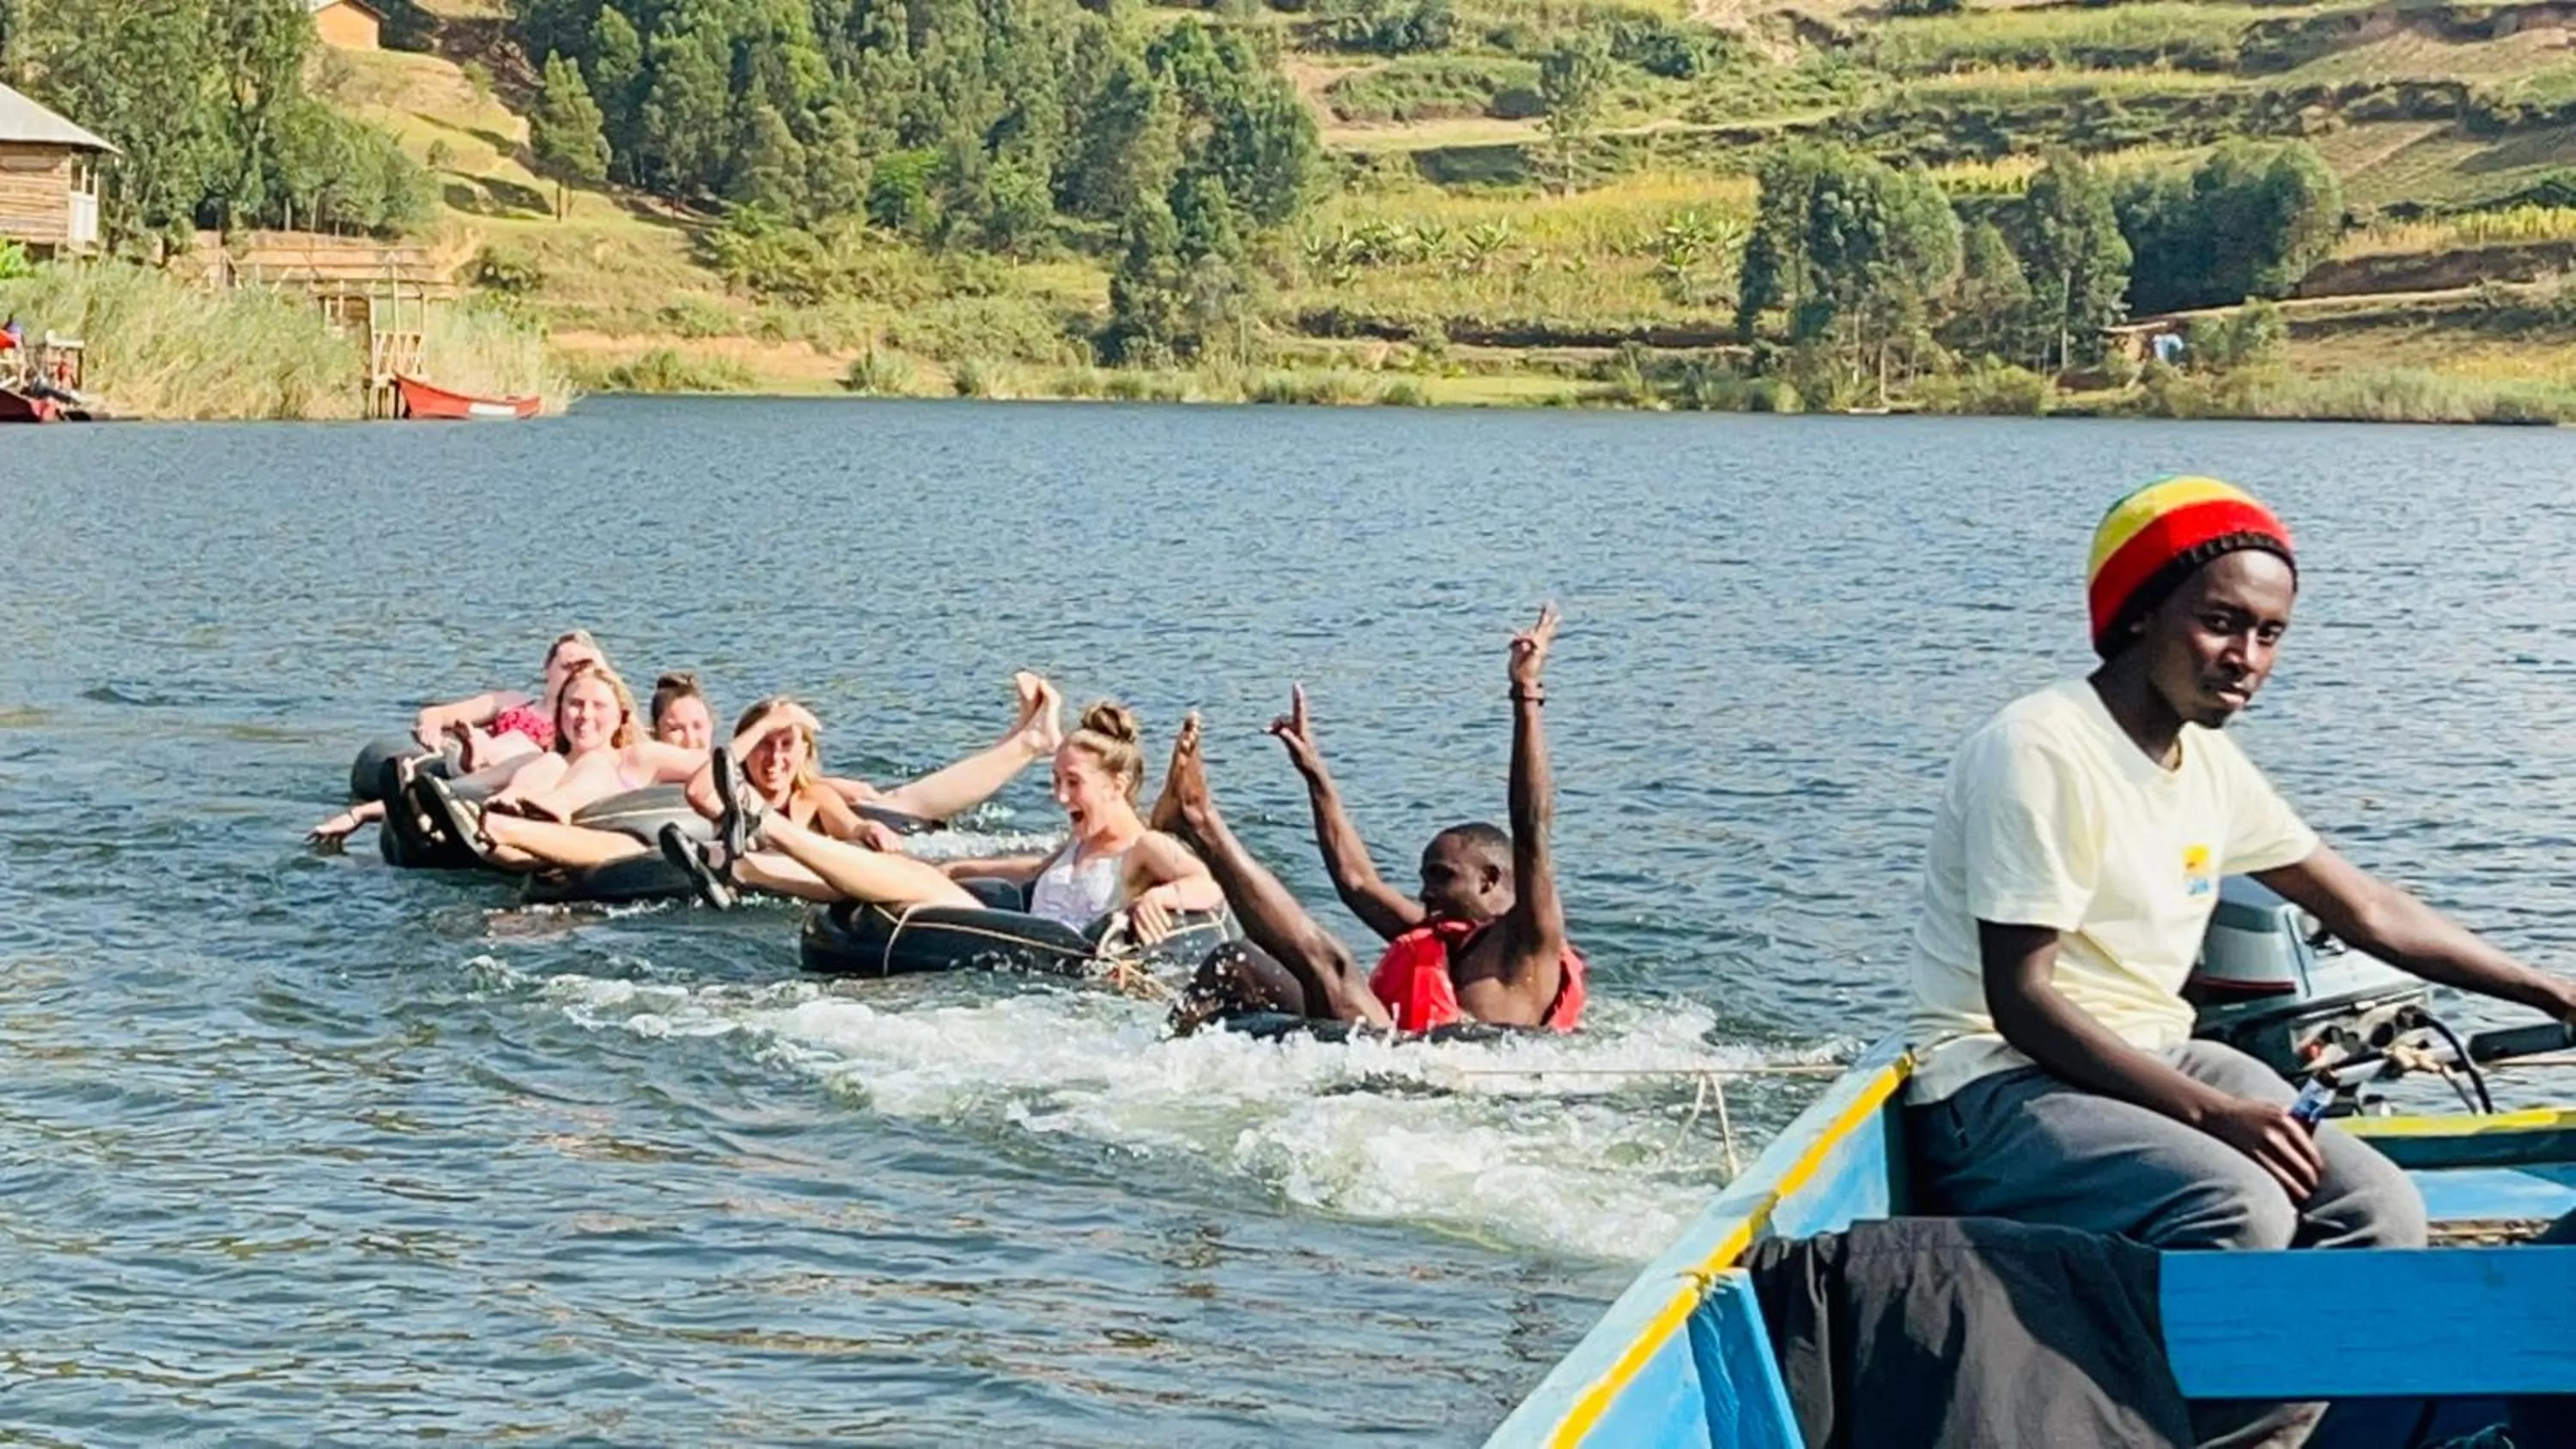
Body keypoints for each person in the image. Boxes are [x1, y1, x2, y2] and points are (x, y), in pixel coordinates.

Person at [1905, 476, 2576, 1267]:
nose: (2245, 660)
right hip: (1992, 1086)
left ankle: (2302, 1395)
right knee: (2237, 1206)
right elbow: (2021, 1002)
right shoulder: (2042, 748)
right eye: (2220, 624)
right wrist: (2212, 1114)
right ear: (2141, 612)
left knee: (2379, 1205)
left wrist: (2552, 992)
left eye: (2269, 634)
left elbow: (2368, 910)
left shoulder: (2207, 764)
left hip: (2150, 1054)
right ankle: (2147, 1393)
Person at [1162, 604, 1584, 1035]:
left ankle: (1199, 821)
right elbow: (1356, 881)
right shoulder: (1438, 930)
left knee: (1331, 965)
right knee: (1239, 963)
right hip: (1384, 1060)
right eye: (1426, 878)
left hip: (1451, 1081)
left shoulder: (1530, 942)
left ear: (1490, 880)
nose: (1425, 891)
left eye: (1441, 877)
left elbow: (1531, 826)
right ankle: (1154, 1062)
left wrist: (1525, 692)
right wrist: (1315, 773)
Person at [666, 697, 1219, 942]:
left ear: (1117, 785)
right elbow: (1028, 871)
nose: (1059, 797)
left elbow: (1208, 884)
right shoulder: (1076, 847)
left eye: (1072, 784)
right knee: (917, 877)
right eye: (1056, 782)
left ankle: (766, 826)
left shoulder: (1143, 848)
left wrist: (1158, 900)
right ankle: (744, 869)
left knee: (916, 884)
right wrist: (958, 867)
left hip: (1059, 956)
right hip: (1020, 937)